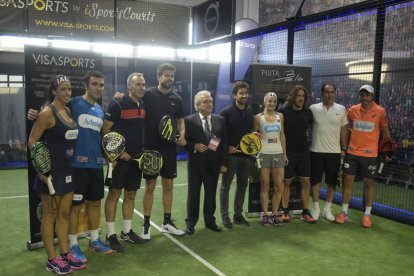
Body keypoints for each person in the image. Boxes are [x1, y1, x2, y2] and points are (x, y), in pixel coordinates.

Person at [27, 71, 113, 262]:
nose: (98, 88)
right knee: (72, 209)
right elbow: (49, 112)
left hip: (95, 164)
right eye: (95, 84)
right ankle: (72, 246)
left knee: (94, 203)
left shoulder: (100, 110)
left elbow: (104, 134)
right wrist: (35, 113)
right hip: (75, 165)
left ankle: (94, 240)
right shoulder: (72, 104)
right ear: (86, 85)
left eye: (101, 85)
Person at [28, 75, 84, 274]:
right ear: (54, 91)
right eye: (63, 89)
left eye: (69, 89)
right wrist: (41, 170)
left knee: (64, 214)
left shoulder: (68, 111)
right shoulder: (46, 113)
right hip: (50, 174)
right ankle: (51, 259)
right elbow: (33, 141)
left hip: (68, 171)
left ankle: (65, 253)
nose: (67, 93)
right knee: (49, 216)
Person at [140, 63, 187, 239]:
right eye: (166, 75)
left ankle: (167, 223)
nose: (169, 79)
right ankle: (146, 225)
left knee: (169, 185)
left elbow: (181, 120)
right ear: (159, 76)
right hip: (151, 149)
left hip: (169, 149)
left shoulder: (177, 99)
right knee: (150, 186)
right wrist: (120, 97)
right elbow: (134, 101)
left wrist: (182, 135)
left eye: (172, 76)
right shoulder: (148, 95)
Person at [335, 85, 391, 228]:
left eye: (367, 95)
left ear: (372, 96)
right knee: (347, 180)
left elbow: (385, 133)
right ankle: (344, 212)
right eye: (362, 95)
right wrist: (344, 147)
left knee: (368, 184)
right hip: (352, 152)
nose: (364, 97)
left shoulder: (380, 111)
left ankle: (367, 214)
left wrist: (387, 150)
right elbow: (344, 127)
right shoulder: (353, 110)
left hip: (370, 154)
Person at [103, 73, 146, 252]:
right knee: (114, 194)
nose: (142, 87)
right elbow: (105, 130)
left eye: (143, 84)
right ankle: (110, 235)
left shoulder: (143, 105)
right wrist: (117, 153)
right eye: (138, 84)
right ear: (129, 87)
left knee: (131, 194)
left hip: (137, 159)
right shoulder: (117, 104)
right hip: (118, 159)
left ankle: (126, 232)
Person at [183, 90, 227, 235]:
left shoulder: (220, 120)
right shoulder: (188, 121)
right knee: (193, 195)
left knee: (210, 195)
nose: (209, 104)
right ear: (197, 106)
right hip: (195, 166)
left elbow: (223, 143)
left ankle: (210, 222)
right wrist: (193, 146)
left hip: (213, 165)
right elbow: (182, 142)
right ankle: (190, 223)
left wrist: (223, 163)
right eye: (205, 102)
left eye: (210, 101)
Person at [309, 84, 348, 221]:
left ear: (335, 93)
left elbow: (344, 131)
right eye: (327, 92)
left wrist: (344, 149)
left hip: (334, 153)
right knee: (315, 181)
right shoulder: (313, 109)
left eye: (332, 92)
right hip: (316, 151)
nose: (329, 94)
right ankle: (315, 208)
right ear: (321, 93)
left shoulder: (341, 109)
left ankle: (327, 209)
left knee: (331, 183)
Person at [278, 85, 316, 223]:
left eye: (303, 96)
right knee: (286, 182)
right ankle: (285, 211)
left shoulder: (308, 113)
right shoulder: (283, 112)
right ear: (293, 96)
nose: (301, 98)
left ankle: (305, 212)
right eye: (298, 96)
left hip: (304, 153)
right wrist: (283, 153)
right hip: (288, 153)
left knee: (305, 182)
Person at [219, 81, 254, 228]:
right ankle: (225, 217)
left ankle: (238, 216)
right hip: (230, 157)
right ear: (235, 95)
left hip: (246, 156)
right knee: (225, 186)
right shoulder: (225, 113)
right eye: (241, 93)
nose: (244, 95)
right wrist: (227, 148)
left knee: (242, 186)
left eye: (246, 93)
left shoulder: (250, 110)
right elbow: (218, 134)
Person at [252, 92, 287, 226]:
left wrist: (285, 154)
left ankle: (275, 214)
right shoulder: (258, 118)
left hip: (278, 153)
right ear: (265, 102)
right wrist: (255, 153)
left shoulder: (280, 116)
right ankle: (265, 215)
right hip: (263, 154)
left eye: (274, 101)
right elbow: (253, 137)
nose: (272, 103)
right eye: (269, 101)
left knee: (279, 186)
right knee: (265, 186)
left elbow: (282, 135)